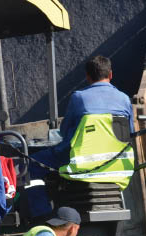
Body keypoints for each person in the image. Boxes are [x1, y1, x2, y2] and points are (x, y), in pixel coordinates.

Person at [28, 55, 135, 194]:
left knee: (32, 163)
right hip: (119, 168)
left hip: (82, 166)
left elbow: (65, 131)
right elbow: (129, 134)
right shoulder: (124, 99)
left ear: (88, 77)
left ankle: (41, 212)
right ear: (110, 74)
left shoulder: (79, 97)